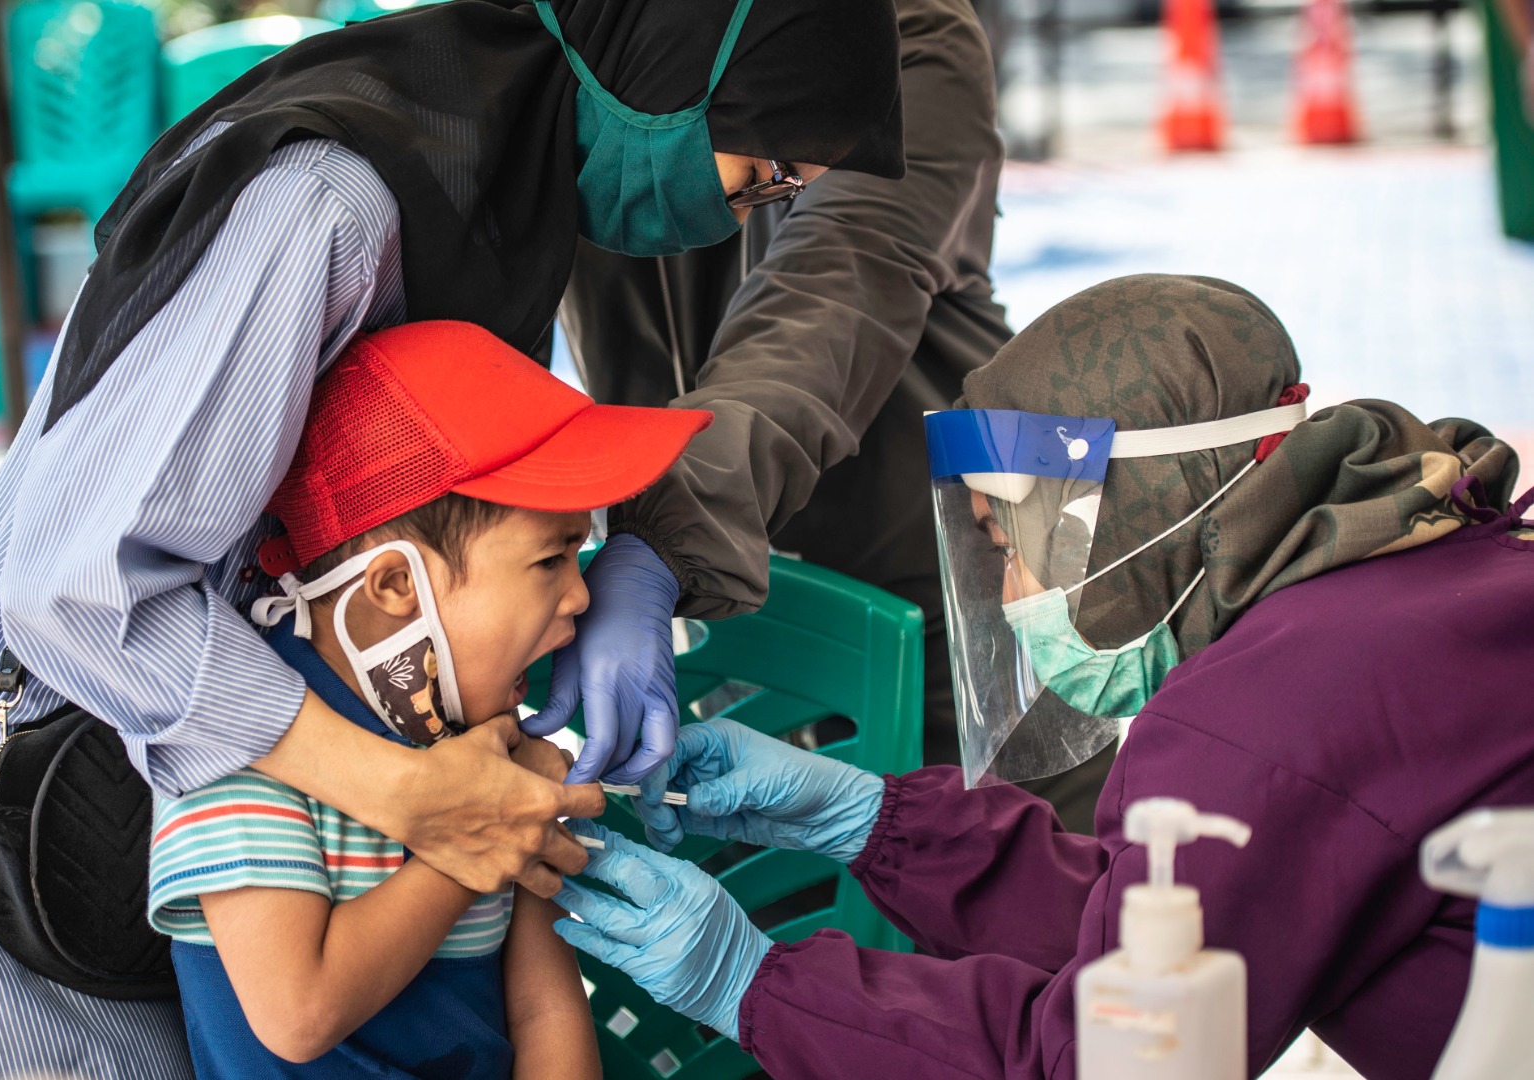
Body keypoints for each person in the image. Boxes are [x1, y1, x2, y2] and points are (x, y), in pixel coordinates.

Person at [0, 1, 906, 1073]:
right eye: (761, 170)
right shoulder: (324, 210)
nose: (746, 214)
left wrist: (530, 627)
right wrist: (416, 803)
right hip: (52, 836)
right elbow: (81, 593)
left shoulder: (487, 203)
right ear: (671, 66)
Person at [553, 274, 1534, 1079]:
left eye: (1005, 539)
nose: (1011, 589)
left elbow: (1091, 1064)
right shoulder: (1432, 560)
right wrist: (875, 823)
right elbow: (1185, 910)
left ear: (1125, 511)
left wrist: (752, 980)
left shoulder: (1253, 722)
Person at [539, 0, 1103, 817]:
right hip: (715, 578)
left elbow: (835, 288)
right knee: (778, 887)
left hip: (957, 562)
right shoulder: (580, 34)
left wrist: (663, 531)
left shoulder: (895, 31)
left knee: (1030, 878)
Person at [149, 321, 710, 1077]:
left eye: (579, 554)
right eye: (549, 561)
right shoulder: (244, 753)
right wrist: (480, 838)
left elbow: (544, 1007)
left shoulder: (493, 740)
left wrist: (511, 810)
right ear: (393, 587)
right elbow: (297, 1014)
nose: (581, 596)